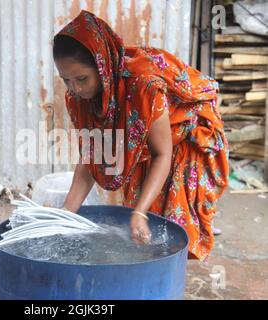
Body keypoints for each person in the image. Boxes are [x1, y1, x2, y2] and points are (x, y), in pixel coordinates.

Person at [53, 10, 229, 260]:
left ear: (102, 67)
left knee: (172, 222)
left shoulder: (143, 84)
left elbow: (162, 153)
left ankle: (167, 279)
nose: (75, 88)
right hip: (148, 137)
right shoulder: (78, 96)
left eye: (82, 78)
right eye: (66, 80)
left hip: (183, 133)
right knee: (138, 219)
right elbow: (92, 154)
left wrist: (141, 212)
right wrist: (66, 213)